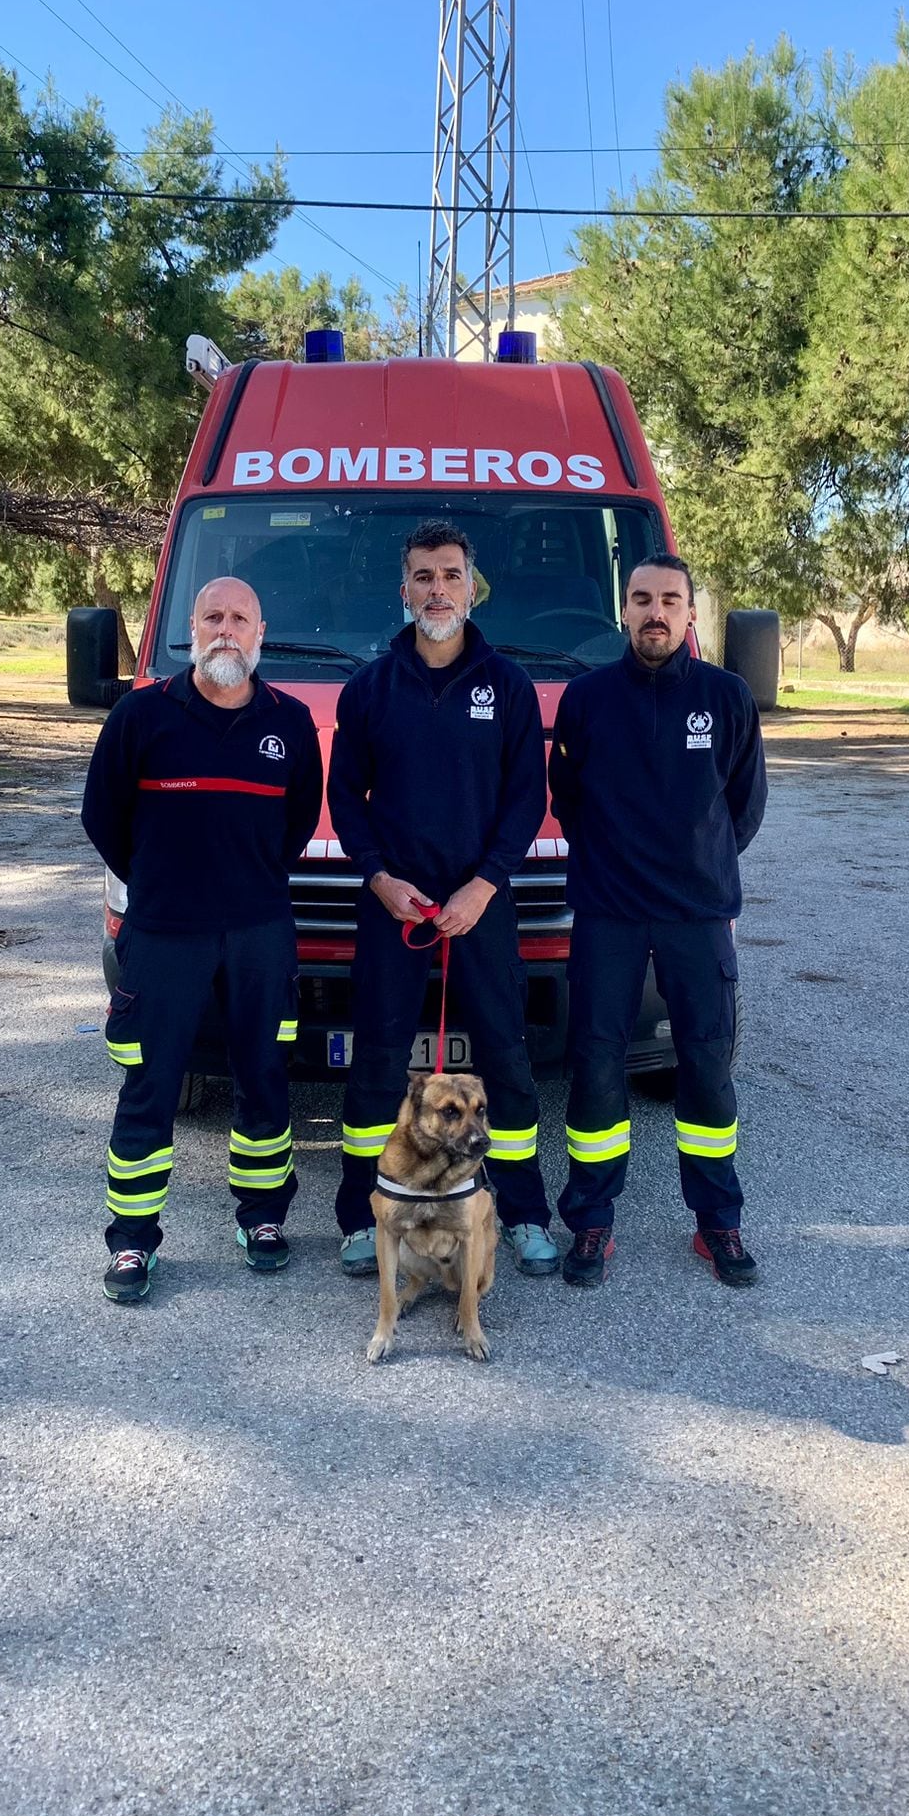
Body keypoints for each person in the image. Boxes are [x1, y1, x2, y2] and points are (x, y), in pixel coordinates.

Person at [81, 576, 323, 1302]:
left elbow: (298, 822)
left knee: (264, 1080)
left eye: (239, 618)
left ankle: (262, 1220)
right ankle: (131, 1242)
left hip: (258, 934)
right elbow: (103, 817)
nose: (226, 629)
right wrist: (163, 885)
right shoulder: (141, 715)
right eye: (212, 616)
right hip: (163, 936)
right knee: (150, 1086)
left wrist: (243, 885)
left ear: (260, 631)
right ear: (191, 629)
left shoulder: (290, 722)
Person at [327, 522, 559, 1278]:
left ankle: (523, 1214)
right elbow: (344, 797)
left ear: (471, 585)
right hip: (394, 909)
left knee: (506, 1060)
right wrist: (378, 877)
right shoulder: (369, 688)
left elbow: (527, 800)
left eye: (450, 574)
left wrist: (485, 885)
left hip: (481, 910)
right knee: (376, 1067)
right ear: (405, 591)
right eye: (423, 576)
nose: (437, 588)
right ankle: (364, 1219)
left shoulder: (509, 686)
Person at [548, 554, 767, 1289]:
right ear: (624, 610)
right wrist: (619, 861)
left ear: (690, 613)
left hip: (696, 917)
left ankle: (718, 1224)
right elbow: (568, 799)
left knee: (705, 1068)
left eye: (670, 599)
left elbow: (743, 806)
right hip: (608, 914)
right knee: (597, 1068)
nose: (655, 612)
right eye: (642, 599)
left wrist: (695, 865)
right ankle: (591, 1222)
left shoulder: (728, 696)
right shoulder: (585, 701)